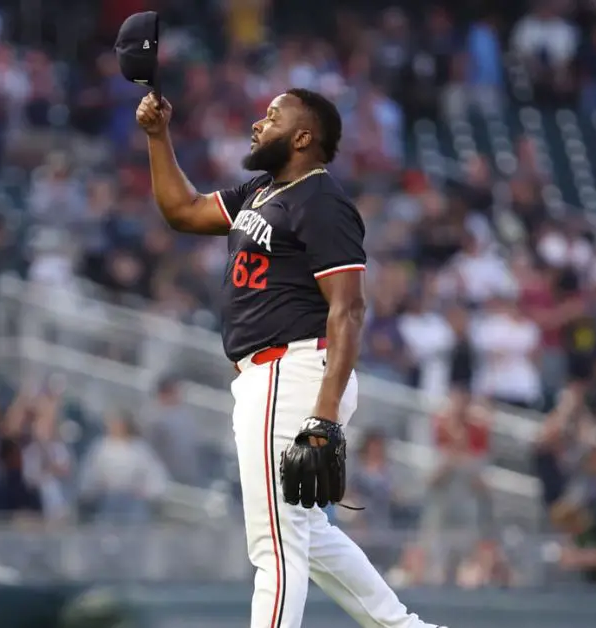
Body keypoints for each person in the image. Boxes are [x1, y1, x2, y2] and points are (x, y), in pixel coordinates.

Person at [137, 89, 438, 628]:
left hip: (292, 369)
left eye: (273, 116)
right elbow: (182, 210)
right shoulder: (264, 189)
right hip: (274, 373)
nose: (258, 123)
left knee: (275, 546)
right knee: (305, 534)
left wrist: (322, 415)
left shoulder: (321, 201)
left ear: (303, 137)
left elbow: (348, 310)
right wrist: (159, 137)